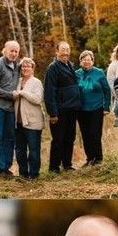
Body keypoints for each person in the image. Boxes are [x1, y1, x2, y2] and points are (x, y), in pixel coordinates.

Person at [44, 41, 81, 173]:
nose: (65, 52)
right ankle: (54, 168)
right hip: (60, 110)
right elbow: (49, 92)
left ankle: (67, 165)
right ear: (57, 52)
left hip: (72, 109)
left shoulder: (70, 66)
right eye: (63, 50)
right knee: (58, 140)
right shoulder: (53, 68)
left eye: (67, 50)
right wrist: (53, 113)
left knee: (70, 138)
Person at [0, 40, 22, 177]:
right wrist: (9, 95)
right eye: (11, 50)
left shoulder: (17, 66)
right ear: (5, 50)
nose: (14, 53)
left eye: (16, 51)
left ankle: (7, 167)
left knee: (9, 137)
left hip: (10, 109)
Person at [76, 51, 111, 166]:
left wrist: (106, 107)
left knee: (95, 134)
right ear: (80, 61)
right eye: (84, 59)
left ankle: (98, 159)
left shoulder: (99, 73)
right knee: (85, 134)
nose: (87, 62)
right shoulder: (76, 74)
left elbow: (107, 90)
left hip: (96, 108)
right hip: (81, 109)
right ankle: (90, 159)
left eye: (89, 60)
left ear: (92, 61)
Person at [14, 57, 45, 180]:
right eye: (23, 66)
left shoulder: (36, 82)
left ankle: (34, 174)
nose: (25, 68)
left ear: (32, 69)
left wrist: (22, 93)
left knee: (33, 150)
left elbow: (38, 99)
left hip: (33, 122)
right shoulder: (17, 81)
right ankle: (23, 174)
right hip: (18, 122)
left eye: (28, 66)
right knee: (20, 150)